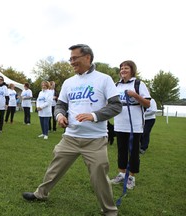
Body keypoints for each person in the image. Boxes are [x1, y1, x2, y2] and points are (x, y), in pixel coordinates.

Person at [22, 44, 122, 216]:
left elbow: (116, 105)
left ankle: (109, 211)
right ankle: (41, 194)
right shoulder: (69, 82)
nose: (72, 62)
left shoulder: (104, 79)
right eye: (71, 59)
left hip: (95, 139)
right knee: (54, 168)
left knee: (99, 176)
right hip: (70, 137)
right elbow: (60, 105)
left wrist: (94, 115)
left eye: (75, 58)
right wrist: (60, 116)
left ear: (88, 58)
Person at [111, 60, 151, 190]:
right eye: (121, 68)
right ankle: (122, 174)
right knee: (121, 150)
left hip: (135, 124)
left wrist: (135, 95)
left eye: (126, 68)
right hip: (119, 123)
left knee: (133, 152)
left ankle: (131, 177)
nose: (123, 70)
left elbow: (147, 104)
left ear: (132, 70)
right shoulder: (116, 85)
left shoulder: (138, 84)